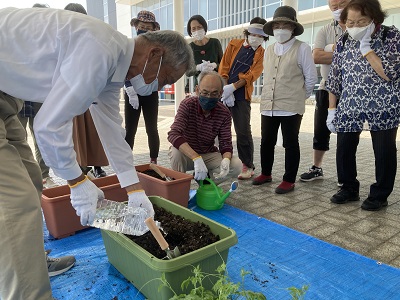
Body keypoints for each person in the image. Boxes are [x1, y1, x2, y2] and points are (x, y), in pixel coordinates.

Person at [0, 7, 194, 299]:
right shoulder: (99, 51)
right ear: (154, 54)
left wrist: (135, 189)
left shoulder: (114, 64)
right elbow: (49, 127)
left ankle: (29, 261)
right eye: (165, 79)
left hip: (5, 92)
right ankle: (26, 289)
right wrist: (77, 183)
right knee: (15, 202)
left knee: (30, 179)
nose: (159, 87)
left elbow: (112, 132)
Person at [326, 0, 400, 211]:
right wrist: (332, 110)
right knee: (344, 149)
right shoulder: (343, 41)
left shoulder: (390, 36)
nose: (355, 27)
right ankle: (348, 188)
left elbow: (390, 73)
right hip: (350, 105)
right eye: (350, 22)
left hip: (383, 105)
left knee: (384, 152)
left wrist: (366, 49)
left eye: (361, 21)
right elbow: (335, 78)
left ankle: (380, 194)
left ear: (374, 19)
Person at [253, 6, 318, 194]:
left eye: (285, 25)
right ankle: (266, 173)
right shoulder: (269, 50)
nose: (280, 29)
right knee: (266, 141)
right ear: (272, 29)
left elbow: (311, 78)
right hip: (268, 104)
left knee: (290, 142)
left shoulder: (303, 48)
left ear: (292, 28)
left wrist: (298, 97)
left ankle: (289, 179)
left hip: (291, 105)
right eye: (277, 25)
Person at [300, 0, 349, 184]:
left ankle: (345, 175)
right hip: (326, 87)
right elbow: (317, 56)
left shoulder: (359, 25)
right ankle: (316, 167)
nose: (338, 9)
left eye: (342, 4)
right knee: (320, 131)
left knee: (347, 134)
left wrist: (331, 50)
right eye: (334, 7)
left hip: (351, 90)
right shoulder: (325, 30)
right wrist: (341, 52)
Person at [167, 71, 242, 184]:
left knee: (236, 165)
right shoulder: (187, 105)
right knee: (175, 152)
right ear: (197, 90)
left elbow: (225, 143)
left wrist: (226, 159)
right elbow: (173, 134)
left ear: (220, 93)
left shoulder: (224, 113)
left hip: (208, 154)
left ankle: (207, 183)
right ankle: (180, 184)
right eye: (205, 92)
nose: (208, 97)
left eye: (213, 94)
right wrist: (196, 158)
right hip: (187, 154)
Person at [218, 17, 268, 180]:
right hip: (224, 93)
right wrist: (226, 89)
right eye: (254, 34)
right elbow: (224, 67)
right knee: (218, 129)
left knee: (243, 131)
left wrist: (234, 88)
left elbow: (252, 75)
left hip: (242, 96)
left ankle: (248, 165)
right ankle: (219, 162)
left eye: (261, 36)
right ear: (248, 32)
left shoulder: (261, 53)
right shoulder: (234, 44)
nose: (256, 38)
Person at [64, 3, 109, 179]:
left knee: (94, 131)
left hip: (92, 93)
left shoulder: (93, 37)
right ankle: (81, 167)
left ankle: (97, 166)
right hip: (72, 94)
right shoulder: (62, 38)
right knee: (77, 133)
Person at [17, 3, 58, 189]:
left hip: (40, 97)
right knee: (17, 137)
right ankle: (21, 176)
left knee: (41, 135)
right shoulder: (18, 37)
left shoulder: (50, 41)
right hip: (16, 95)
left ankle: (44, 175)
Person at [124, 11, 160, 164]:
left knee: (151, 128)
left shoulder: (158, 50)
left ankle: (154, 159)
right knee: (130, 129)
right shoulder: (129, 45)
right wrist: (129, 89)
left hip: (150, 92)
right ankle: (125, 161)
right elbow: (123, 69)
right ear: (136, 27)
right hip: (131, 92)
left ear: (153, 30)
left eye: (147, 27)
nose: (144, 29)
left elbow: (161, 71)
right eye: (141, 26)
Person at [186, 14, 224, 92]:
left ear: (204, 27)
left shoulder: (215, 43)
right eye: (193, 29)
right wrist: (198, 67)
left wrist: (214, 65)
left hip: (216, 86)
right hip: (199, 88)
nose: (197, 31)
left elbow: (224, 65)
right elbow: (187, 72)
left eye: (199, 27)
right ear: (190, 31)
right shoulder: (190, 47)